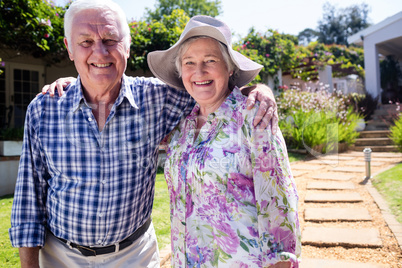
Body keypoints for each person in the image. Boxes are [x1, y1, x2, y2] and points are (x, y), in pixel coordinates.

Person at [9, 1, 277, 267]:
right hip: (60, 257)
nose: (100, 53)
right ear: (69, 48)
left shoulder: (160, 99)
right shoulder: (45, 109)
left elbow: (210, 88)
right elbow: (28, 200)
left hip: (134, 256)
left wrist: (257, 91)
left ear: (127, 45)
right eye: (86, 42)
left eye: (110, 40)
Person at [147, 15, 301, 267]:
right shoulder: (181, 129)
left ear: (230, 68)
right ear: (181, 70)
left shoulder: (254, 117)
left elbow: (279, 207)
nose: (199, 71)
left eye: (210, 60)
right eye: (189, 62)